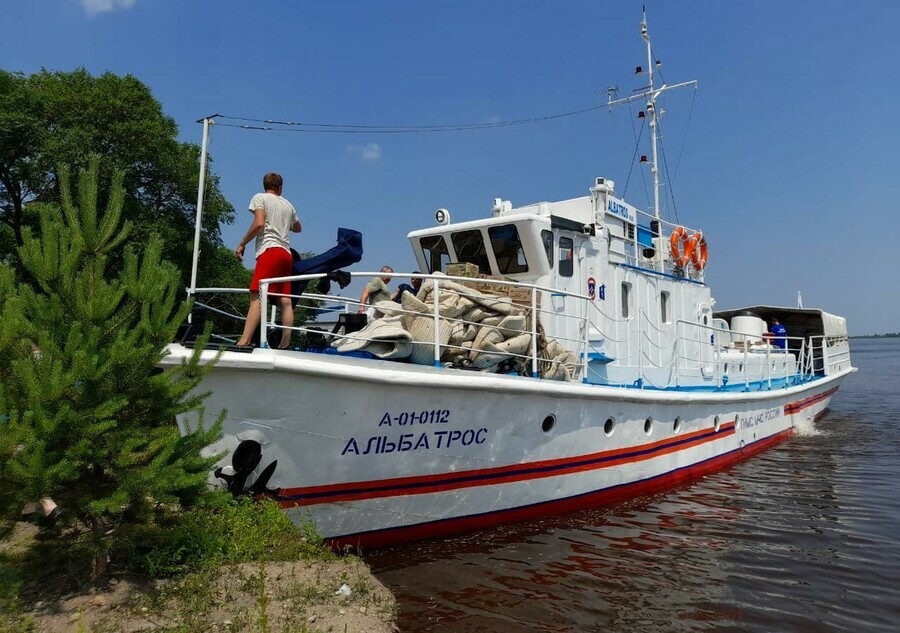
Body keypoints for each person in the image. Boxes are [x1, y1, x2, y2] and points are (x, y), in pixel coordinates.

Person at [235, 172, 301, 349]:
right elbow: (298, 227)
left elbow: (258, 224)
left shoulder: (260, 197)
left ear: (265, 186)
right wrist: (284, 222)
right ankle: (285, 343)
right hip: (286, 254)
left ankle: (245, 340)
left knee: (257, 295)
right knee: (285, 299)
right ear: (280, 187)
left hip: (269, 250)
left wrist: (242, 243)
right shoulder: (288, 204)